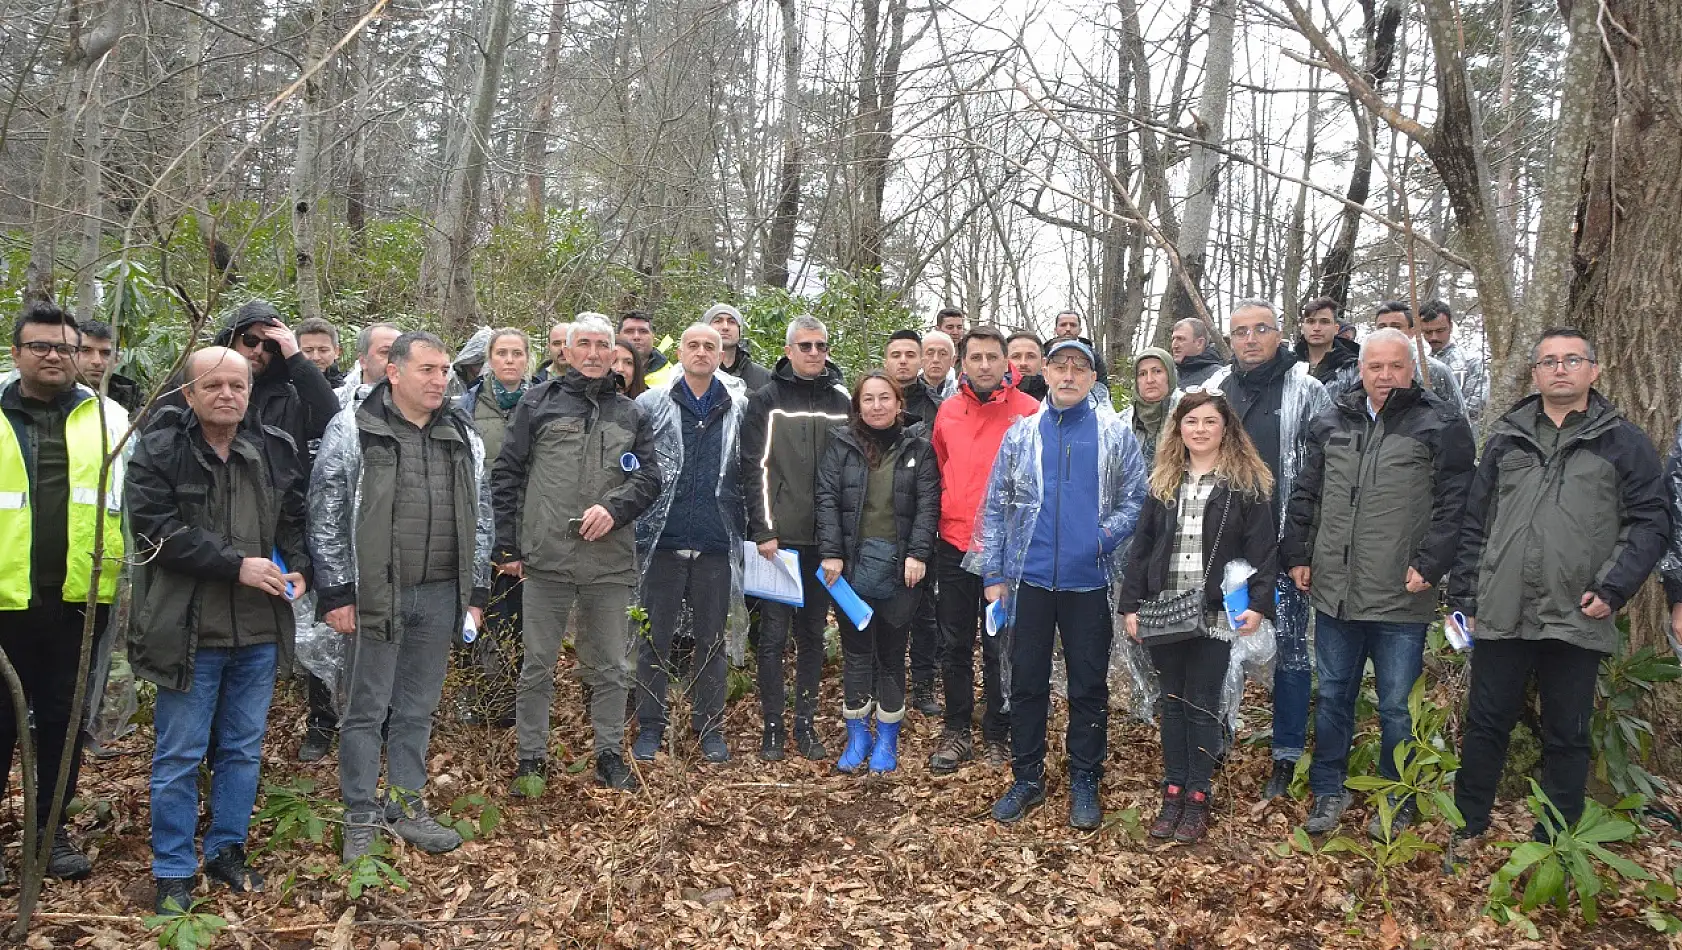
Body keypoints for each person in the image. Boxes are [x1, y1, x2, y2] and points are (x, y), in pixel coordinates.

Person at [1451, 328, 1669, 842]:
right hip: (1501, 608)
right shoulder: (1507, 437)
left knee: (1567, 732)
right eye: (1549, 361)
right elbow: (1475, 523)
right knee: (1485, 725)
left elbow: (1650, 521)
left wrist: (1614, 587)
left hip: (1577, 610)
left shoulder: (1623, 441)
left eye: (1573, 359)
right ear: (1535, 374)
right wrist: (1465, 598)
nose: (1560, 369)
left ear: (1594, 370)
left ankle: (1554, 840)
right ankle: (1468, 826)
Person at [128, 346, 308, 913]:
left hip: (256, 629)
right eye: (213, 386)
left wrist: (299, 564)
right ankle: (174, 870)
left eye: (237, 385)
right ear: (189, 393)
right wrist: (236, 564)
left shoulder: (270, 449)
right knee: (179, 755)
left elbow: (292, 517)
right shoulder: (159, 450)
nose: (227, 394)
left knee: (241, 749)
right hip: (188, 629)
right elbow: (155, 530)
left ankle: (227, 849)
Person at [1281, 329, 1476, 838]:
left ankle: (1398, 796)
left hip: (1400, 593)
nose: (1385, 376)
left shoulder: (1440, 424)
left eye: (1395, 366)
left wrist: (1431, 565)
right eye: (1375, 367)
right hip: (1335, 591)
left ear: (1411, 368)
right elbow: (1307, 491)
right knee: (1334, 696)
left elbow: (1456, 505)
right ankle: (1328, 789)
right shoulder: (1332, 420)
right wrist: (1297, 551)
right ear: (1361, 369)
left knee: (1395, 706)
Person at [312, 332, 491, 861]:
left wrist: (475, 592)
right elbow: (326, 510)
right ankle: (360, 813)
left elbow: (481, 518)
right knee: (365, 708)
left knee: (417, 708)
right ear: (394, 372)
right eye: (428, 370)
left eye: (444, 371)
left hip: (440, 594)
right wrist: (338, 591)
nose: (441, 380)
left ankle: (407, 806)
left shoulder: (462, 433)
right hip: (375, 594)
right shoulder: (355, 427)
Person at [972, 339, 1145, 826]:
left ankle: (1085, 778)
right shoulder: (1021, 435)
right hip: (1027, 583)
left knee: (1088, 685)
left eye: (1080, 367)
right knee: (1025, 683)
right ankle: (1026, 777)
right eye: (1060, 366)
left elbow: (1137, 497)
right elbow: (998, 506)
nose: (1069, 374)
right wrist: (993, 572)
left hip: (1087, 583)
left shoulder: (1113, 434)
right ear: (1044, 372)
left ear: (1093, 378)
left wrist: (1103, 536)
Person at [493, 314, 661, 793]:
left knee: (609, 664)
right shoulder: (537, 403)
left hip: (609, 561)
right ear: (564, 351)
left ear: (615, 352)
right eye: (581, 344)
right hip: (547, 557)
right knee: (537, 663)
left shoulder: (631, 412)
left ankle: (609, 753)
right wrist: (508, 545)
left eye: (601, 345)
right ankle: (532, 758)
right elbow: (507, 475)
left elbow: (649, 478)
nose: (592, 353)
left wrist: (614, 508)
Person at [0, 302, 129, 881]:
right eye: (41, 346)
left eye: (66, 348)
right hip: (5, 602)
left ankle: (49, 835)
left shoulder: (110, 417)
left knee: (63, 720)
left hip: (81, 600)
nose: (54, 356)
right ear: (17, 353)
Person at [1117, 389, 1277, 843]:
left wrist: (1258, 605)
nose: (1200, 430)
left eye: (1209, 422)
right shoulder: (1165, 481)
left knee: (1202, 703)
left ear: (1226, 429)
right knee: (1171, 702)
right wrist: (1131, 604)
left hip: (1213, 613)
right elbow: (1142, 547)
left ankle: (1198, 795)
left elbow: (1263, 551)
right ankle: (1173, 788)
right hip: (1166, 608)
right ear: (1178, 429)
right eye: (1191, 422)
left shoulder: (1244, 484)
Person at [1209, 299, 1333, 799]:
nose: (1251, 339)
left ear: (1279, 333)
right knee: (1218, 645)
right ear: (1230, 339)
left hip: (1285, 548)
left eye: (1261, 329)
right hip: (1221, 549)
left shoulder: (1307, 390)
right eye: (1241, 331)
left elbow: (1322, 472)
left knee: (1292, 653)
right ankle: (1215, 734)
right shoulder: (1214, 390)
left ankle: (1285, 754)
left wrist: (1301, 547)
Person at [927, 326, 1042, 774]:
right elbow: (942, 467)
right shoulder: (949, 412)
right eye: (975, 358)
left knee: (1000, 645)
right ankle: (957, 728)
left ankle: (998, 729)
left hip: (1008, 552)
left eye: (993, 357)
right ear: (964, 362)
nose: (985, 365)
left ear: (1006, 361)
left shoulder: (1030, 411)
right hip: (954, 544)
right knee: (954, 643)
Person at [632, 324, 746, 765]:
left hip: (716, 545)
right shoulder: (652, 405)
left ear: (722, 355)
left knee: (711, 642)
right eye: (693, 345)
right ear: (679, 352)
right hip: (665, 543)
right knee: (654, 642)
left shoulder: (737, 407)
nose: (701, 352)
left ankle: (709, 726)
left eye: (710, 347)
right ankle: (651, 726)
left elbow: (747, 474)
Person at [815, 372, 940, 774]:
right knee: (856, 654)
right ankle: (857, 735)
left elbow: (927, 506)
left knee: (890, 654)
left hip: (901, 569)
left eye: (884, 398)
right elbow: (827, 501)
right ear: (858, 405)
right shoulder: (840, 446)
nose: (876, 406)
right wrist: (831, 554)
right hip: (850, 568)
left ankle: (887, 739)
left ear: (899, 404)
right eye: (867, 399)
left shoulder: (919, 450)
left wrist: (918, 554)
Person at [739, 316, 851, 761]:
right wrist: (765, 530)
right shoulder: (766, 400)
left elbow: (849, 473)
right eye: (804, 345)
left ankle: (805, 725)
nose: (813, 353)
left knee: (811, 636)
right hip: (778, 541)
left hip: (824, 544)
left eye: (821, 345)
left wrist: (838, 541)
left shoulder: (841, 401)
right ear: (788, 350)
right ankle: (773, 726)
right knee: (773, 637)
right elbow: (755, 468)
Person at [455, 328, 531, 727]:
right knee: (478, 616)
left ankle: (514, 706)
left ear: (527, 359)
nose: (509, 360)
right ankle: (478, 698)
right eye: (501, 353)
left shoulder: (540, 402)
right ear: (489, 359)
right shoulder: (466, 407)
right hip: (477, 530)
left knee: (519, 622)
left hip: (527, 529)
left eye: (517, 353)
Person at [1371, 302, 1468, 414]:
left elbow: (1458, 418)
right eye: (1382, 327)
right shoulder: (1364, 369)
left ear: (1412, 331)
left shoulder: (1435, 370)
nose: (1388, 332)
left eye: (1396, 327)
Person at [1419, 300, 1487, 427]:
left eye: (1440, 331)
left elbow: (1476, 405)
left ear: (1450, 326)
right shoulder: (1414, 364)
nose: (1434, 337)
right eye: (1428, 332)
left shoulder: (1470, 362)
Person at [1118, 348, 1179, 469]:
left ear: (1170, 375)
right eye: (1142, 374)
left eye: (1157, 371)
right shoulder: (1121, 422)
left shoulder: (1187, 416)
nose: (1150, 380)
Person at [75, 319, 144, 410]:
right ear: (70, 353)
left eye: (106, 353)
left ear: (117, 360)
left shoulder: (132, 398)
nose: (97, 361)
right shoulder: (54, 396)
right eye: (86, 350)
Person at [1292, 297, 1358, 392]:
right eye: (1311, 321)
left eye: (1324, 322)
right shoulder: (1289, 364)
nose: (1317, 328)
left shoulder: (1351, 367)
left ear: (1336, 329)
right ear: (1303, 327)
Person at [706, 304, 774, 393]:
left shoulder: (764, 378)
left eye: (732, 322)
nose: (725, 327)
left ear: (740, 330)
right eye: (718, 321)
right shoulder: (691, 373)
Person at [336, 322, 402, 410]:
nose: (396, 361)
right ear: (363, 361)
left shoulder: (420, 402)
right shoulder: (335, 403)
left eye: (401, 353)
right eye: (385, 352)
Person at [885, 329, 940, 425]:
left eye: (910, 355)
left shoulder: (937, 407)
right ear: (885, 363)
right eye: (896, 355)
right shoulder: (870, 402)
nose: (903, 361)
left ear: (921, 362)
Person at [1049, 311, 1111, 390]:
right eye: (1063, 325)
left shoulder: (1093, 356)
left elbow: (1102, 389)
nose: (1068, 329)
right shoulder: (1043, 353)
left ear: (1080, 330)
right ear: (1055, 329)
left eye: (1073, 325)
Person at [619, 311, 674, 389]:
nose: (636, 337)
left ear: (653, 338)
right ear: (617, 337)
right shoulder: (605, 370)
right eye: (629, 331)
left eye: (643, 331)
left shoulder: (672, 376)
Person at [1170, 317, 1225, 388]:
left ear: (1199, 343)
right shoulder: (1169, 377)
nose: (1174, 345)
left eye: (1180, 339)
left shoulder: (1219, 377)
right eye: (1173, 339)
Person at [296, 317, 347, 388]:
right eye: (308, 351)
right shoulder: (287, 390)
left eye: (323, 350)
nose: (316, 357)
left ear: (336, 351)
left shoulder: (349, 388)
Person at [1006, 330, 1047, 402]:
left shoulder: (1055, 397)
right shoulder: (989, 395)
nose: (1023, 363)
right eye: (1016, 356)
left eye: (1031, 356)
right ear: (1004, 362)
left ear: (1043, 362)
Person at [921, 330, 957, 401]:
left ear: (953, 360)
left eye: (943, 354)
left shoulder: (960, 392)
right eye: (930, 353)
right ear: (920, 358)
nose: (936, 360)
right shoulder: (906, 393)